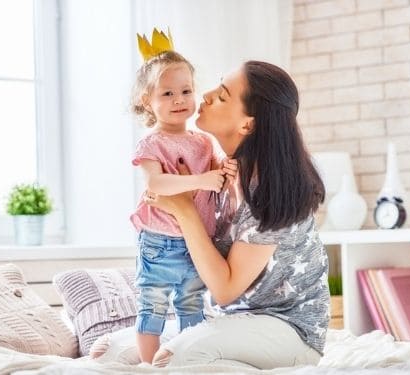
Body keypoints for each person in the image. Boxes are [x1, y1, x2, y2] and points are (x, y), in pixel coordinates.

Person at [95, 60, 329, 369]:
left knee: (173, 359)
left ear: (247, 124)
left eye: (221, 96)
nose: (204, 96)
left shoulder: (269, 190)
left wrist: (184, 209)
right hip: (230, 319)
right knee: (109, 352)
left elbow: (225, 289)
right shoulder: (217, 170)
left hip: (287, 329)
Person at [128, 31, 237, 364]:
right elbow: (157, 184)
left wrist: (224, 166)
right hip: (159, 242)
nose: (179, 100)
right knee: (153, 304)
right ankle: (148, 366)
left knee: (191, 304)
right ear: (148, 100)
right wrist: (204, 179)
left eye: (186, 91)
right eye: (168, 93)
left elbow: (213, 171)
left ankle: (189, 362)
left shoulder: (202, 142)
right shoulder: (152, 143)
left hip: (195, 241)